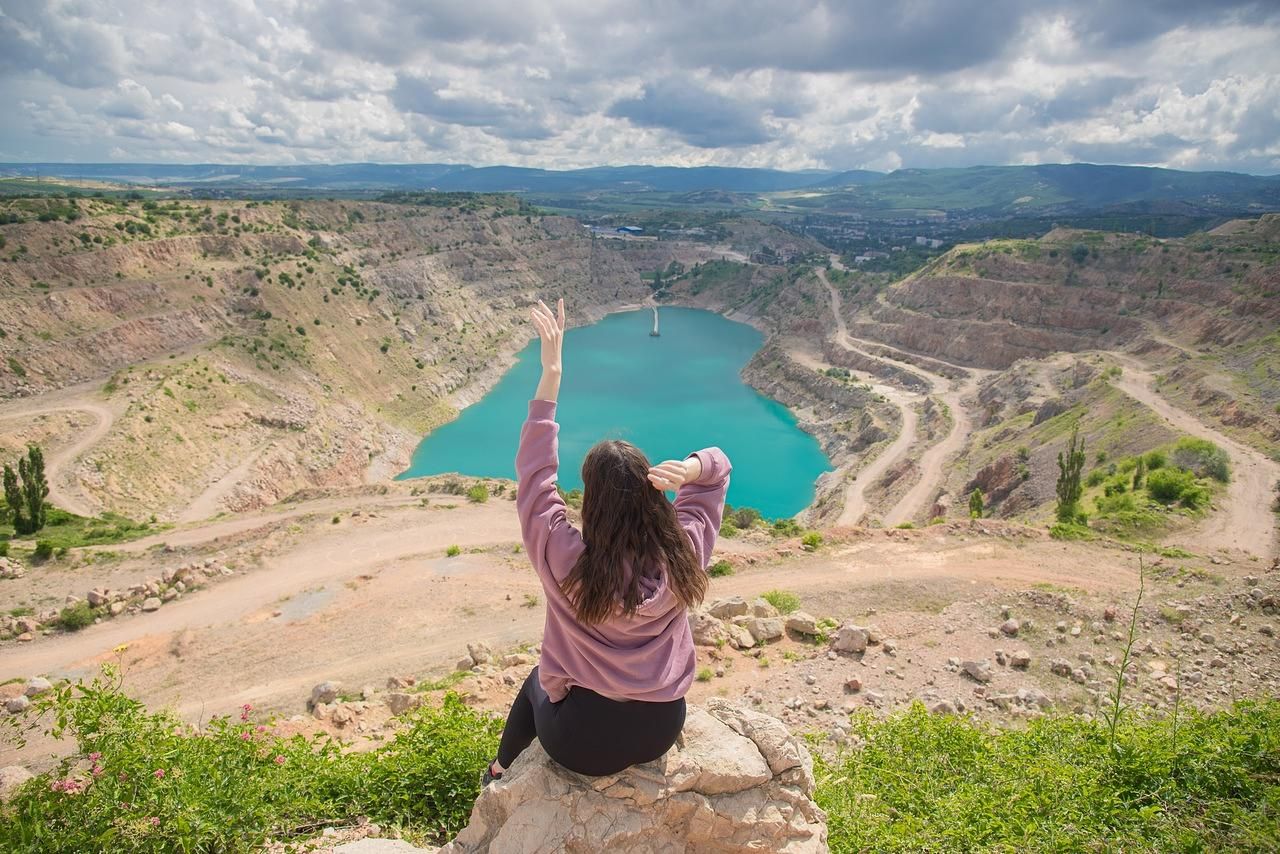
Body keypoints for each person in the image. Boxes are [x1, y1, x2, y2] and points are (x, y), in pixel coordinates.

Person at [484, 298, 732, 782]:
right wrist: (692, 469)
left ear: (592, 503)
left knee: (536, 683)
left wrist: (551, 373)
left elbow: (535, 479)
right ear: (650, 493)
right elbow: (718, 475)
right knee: (543, 683)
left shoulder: (564, 556)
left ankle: (498, 769)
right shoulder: (684, 554)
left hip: (582, 743)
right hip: (661, 725)